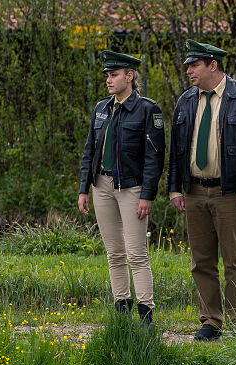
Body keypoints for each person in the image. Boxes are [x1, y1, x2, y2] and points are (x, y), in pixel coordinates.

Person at [167, 39, 236, 341]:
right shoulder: (186, 100)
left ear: (213, 65)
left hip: (231, 193)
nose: (189, 70)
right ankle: (211, 321)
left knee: (234, 261)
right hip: (195, 192)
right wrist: (174, 189)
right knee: (201, 261)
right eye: (188, 65)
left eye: (194, 65)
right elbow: (177, 149)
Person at [78, 49, 165, 327]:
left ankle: (146, 313)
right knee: (114, 251)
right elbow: (89, 149)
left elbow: (155, 157)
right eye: (106, 75)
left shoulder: (147, 109)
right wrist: (83, 188)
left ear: (130, 76)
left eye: (114, 75)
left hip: (131, 188)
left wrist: (147, 194)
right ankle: (121, 307)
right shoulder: (102, 108)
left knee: (136, 253)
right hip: (101, 184)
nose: (109, 80)